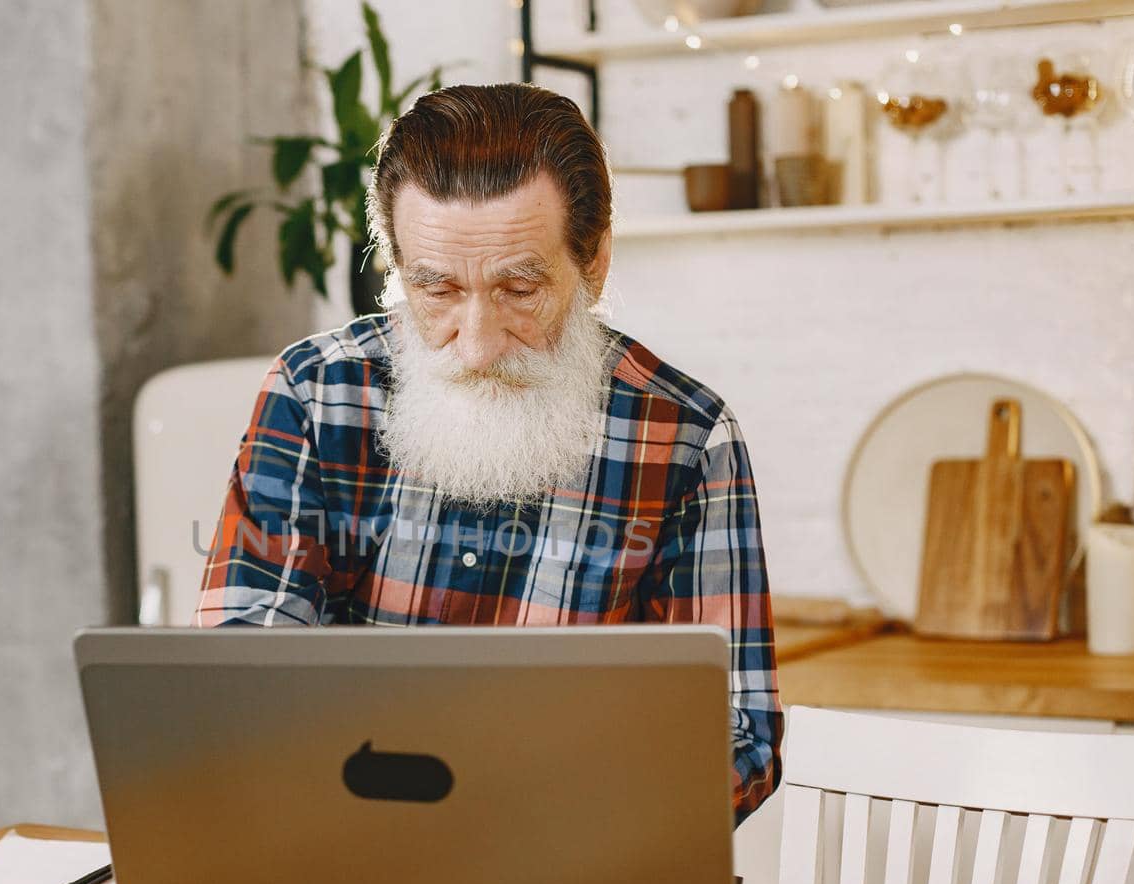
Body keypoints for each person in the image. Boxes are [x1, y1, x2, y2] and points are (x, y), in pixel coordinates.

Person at [195, 82, 782, 823]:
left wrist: (567, 824)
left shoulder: (690, 437)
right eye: (435, 290)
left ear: (593, 263)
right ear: (397, 267)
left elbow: (737, 733)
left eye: (519, 288)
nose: (476, 346)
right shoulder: (317, 393)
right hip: (342, 856)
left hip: (576, 871)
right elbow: (241, 672)